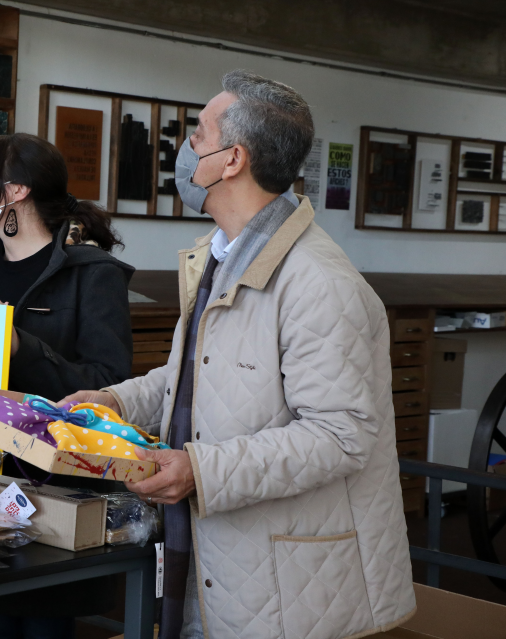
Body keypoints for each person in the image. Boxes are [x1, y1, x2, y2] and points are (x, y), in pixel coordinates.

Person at [62, 70, 416, 639]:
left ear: (232, 160)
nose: (186, 147)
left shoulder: (319, 282)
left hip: (287, 583)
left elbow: (339, 435)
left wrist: (201, 470)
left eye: (199, 134)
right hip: (220, 556)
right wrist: (114, 402)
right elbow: (195, 375)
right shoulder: (221, 255)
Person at [0, 133, 134, 639]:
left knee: (43, 624)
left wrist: (22, 347)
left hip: (54, 482)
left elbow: (109, 385)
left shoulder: (93, 275)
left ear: (16, 190)